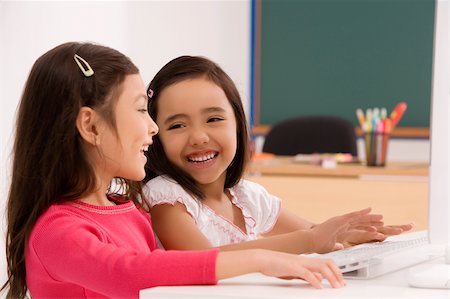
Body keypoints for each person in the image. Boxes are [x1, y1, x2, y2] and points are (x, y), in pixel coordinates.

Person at [1, 42, 374, 299]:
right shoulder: (58, 231)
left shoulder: (126, 210)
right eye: (139, 110)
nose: (152, 128)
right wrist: (262, 258)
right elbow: (132, 271)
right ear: (91, 127)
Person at [143, 55, 413, 253]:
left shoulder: (247, 197)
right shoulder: (167, 199)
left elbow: (312, 231)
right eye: (177, 125)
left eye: (213, 119)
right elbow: (204, 262)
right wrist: (311, 241)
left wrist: (344, 236)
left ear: (238, 124)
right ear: (156, 136)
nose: (199, 136)